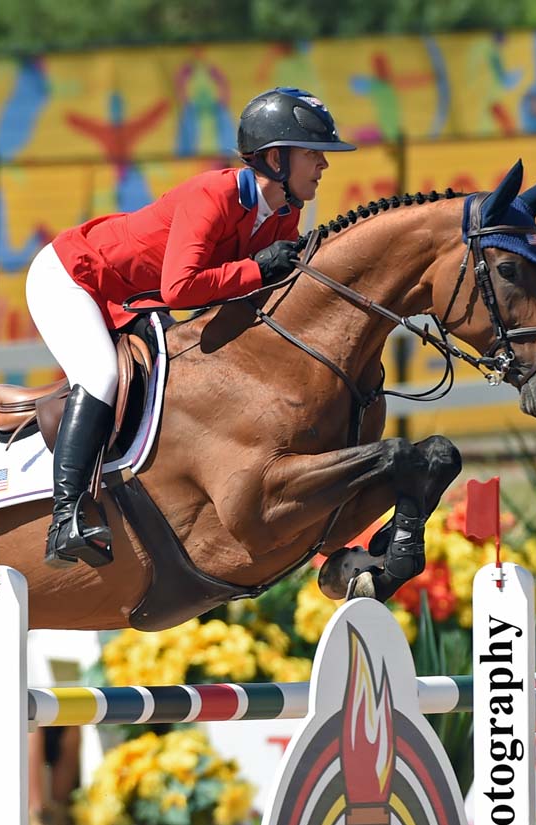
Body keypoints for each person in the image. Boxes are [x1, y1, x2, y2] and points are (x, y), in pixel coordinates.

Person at [26, 86, 356, 567]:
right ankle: (66, 517)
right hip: (74, 277)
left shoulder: (287, 214)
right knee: (100, 376)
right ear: (277, 159)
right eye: (314, 154)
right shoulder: (213, 195)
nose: (324, 165)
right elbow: (181, 288)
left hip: (134, 300)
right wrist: (259, 269)